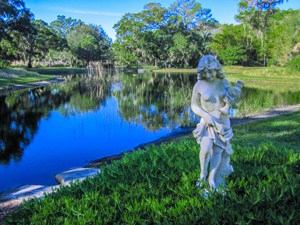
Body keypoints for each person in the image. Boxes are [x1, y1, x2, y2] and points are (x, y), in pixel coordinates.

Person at [191, 55, 237, 190]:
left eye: (211, 71)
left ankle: (212, 179)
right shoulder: (199, 85)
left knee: (217, 153)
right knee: (205, 150)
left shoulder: (224, 83)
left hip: (222, 124)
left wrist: (232, 101)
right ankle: (202, 175)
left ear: (217, 69)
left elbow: (232, 101)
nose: (209, 75)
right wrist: (205, 115)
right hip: (207, 123)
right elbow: (194, 106)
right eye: (205, 72)